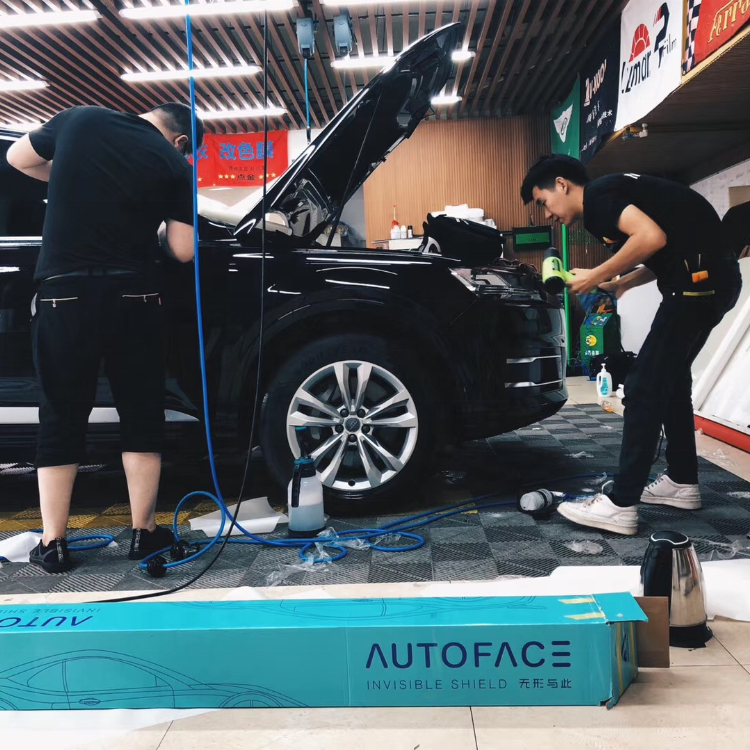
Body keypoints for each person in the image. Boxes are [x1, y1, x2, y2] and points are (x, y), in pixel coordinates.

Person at [6, 103, 204, 572]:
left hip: (64, 296)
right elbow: (182, 250)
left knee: (61, 413)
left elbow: (17, 158)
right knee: (141, 413)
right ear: (181, 142)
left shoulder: (81, 119)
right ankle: (143, 533)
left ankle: (53, 543)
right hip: (135, 298)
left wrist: (67, 178)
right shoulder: (175, 164)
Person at [520, 155, 742, 535]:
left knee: (641, 387)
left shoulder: (599, 197)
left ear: (561, 184)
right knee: (671, 382)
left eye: (544, 202)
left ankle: (621, 504)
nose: (548, 214)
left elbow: (650, 238)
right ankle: (682, 480)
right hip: (711, 281)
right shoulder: (613, 193)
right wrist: (621, 283)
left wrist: (597, 274)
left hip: (696, 286)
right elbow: (664, 246)